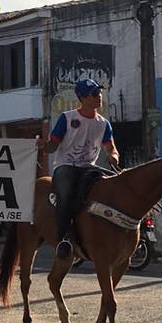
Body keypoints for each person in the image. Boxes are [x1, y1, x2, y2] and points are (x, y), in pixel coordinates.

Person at [42, 78, 120, 260]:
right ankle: (64, 240)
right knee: (66, 194)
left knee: (111, 188)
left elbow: (111, 148)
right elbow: (53, 144)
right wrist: (44, 146)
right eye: (94, 94)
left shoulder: (103, 123)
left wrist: (114, 157)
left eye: (99, 93)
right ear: (83, 98)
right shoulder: (67, 118)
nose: (98, 96)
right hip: (66, 166)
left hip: (88, 168)